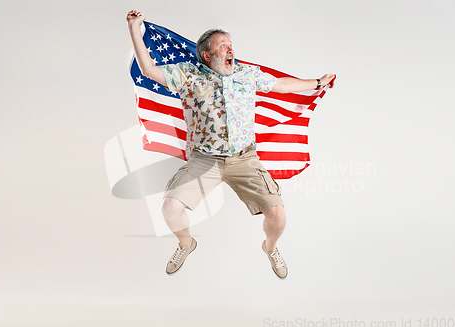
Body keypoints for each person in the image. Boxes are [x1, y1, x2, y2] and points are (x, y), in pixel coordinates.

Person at [126, 10, 335, 279]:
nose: (230, 49)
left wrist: (317, 82)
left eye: (231, 45)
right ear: (206, 55)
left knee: (278, 214)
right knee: (169, 208)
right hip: (204, 160)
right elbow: (148, 70)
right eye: (222, 45)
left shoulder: (246, 74)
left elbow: (281, 85)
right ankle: (186, 244)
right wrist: (134, 27)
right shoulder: (187, 75)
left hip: (244, 159)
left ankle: (270, 247)